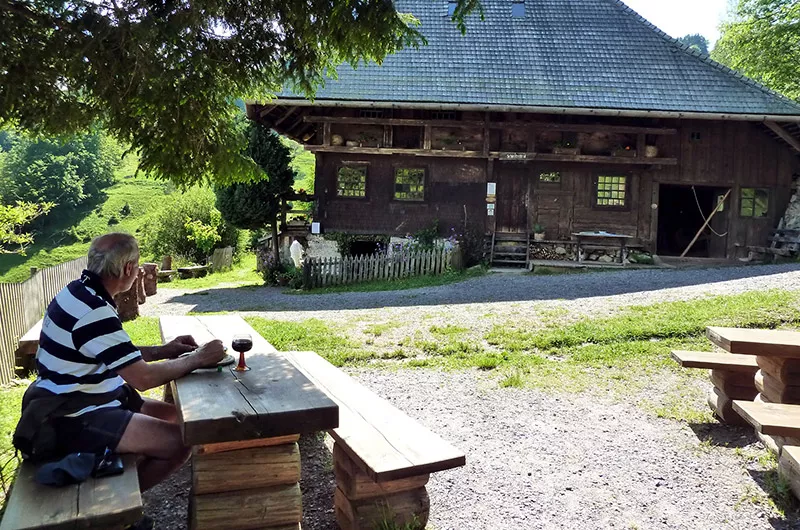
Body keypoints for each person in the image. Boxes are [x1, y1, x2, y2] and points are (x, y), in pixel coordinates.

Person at [14, 233, 225, 495]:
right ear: (128, 268)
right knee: (180, 444)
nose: (137, 272)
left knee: (180, 418)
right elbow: (143, 379)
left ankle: (120, 492)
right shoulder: (93, 310)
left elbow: (109, 352)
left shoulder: (78, 291)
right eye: (137, 266)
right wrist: (198, 358)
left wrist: (165, 350)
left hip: (91, 396)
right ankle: (119, 508)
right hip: (73, 414)